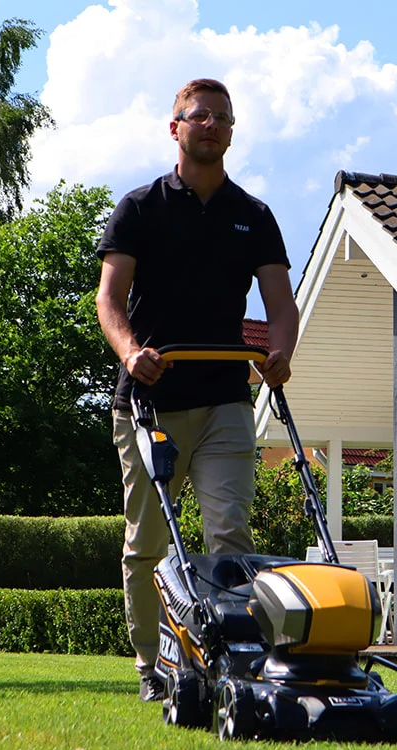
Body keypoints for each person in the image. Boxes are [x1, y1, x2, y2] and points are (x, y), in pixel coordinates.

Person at [95, 78, 298, 701]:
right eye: (200, 115)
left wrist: (280, 353)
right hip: (150, 403)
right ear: (175, 127)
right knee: (147, 545)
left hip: (225, 400)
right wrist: (131, 353)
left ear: (232, 133)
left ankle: (230, 662)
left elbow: (281, 305)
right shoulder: (140, 208)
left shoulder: (253, 216)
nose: (211, 125)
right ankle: (151, 666)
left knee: (230, 537)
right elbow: (109, 299)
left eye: (223, 118)